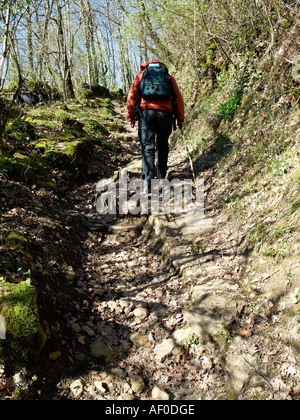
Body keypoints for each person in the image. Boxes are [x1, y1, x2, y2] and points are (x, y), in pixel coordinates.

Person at [127, 60, 185, 189]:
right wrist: (180, 119)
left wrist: (130, 116)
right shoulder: (169, 77)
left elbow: (131, 97)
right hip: (166, 114)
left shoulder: (140, 75)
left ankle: (147, 182)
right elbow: (178, 98)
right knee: (162, 145)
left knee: (147, 146)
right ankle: (161, 178)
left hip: (146, 113)